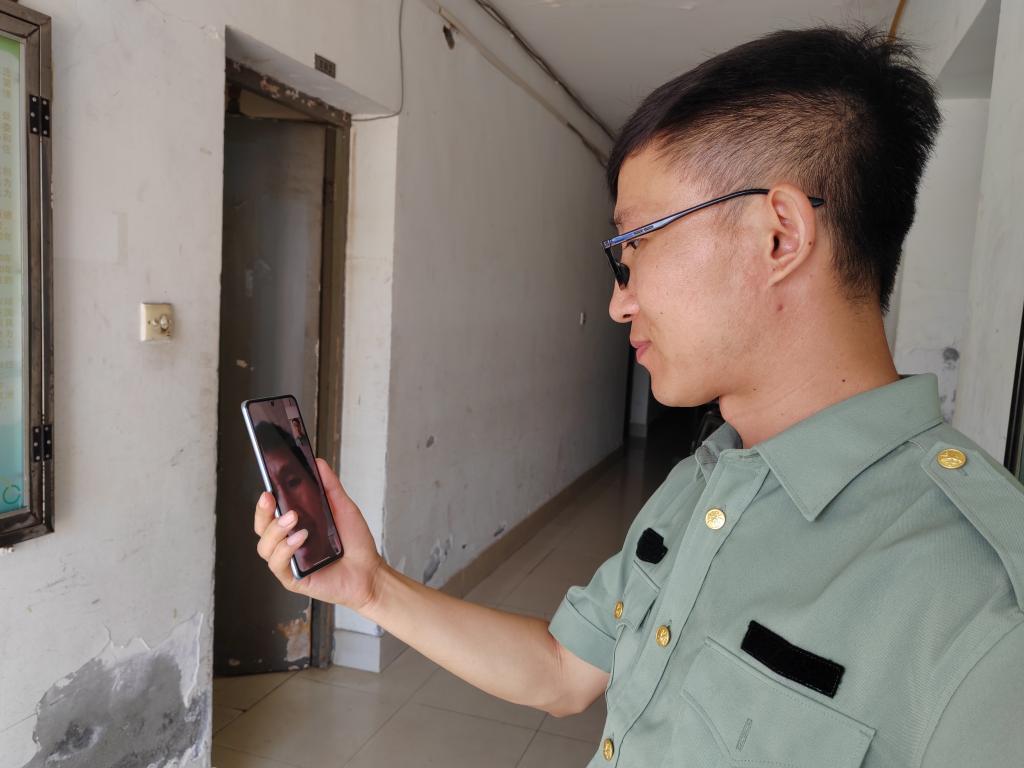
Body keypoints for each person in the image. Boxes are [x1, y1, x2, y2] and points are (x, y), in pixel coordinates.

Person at [254, 25, 1024, 767]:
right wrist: (372, 588)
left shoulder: (984, 606)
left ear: (779, 236)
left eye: (635, 245)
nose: (619, 302)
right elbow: (565, 671)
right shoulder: (707, 482)